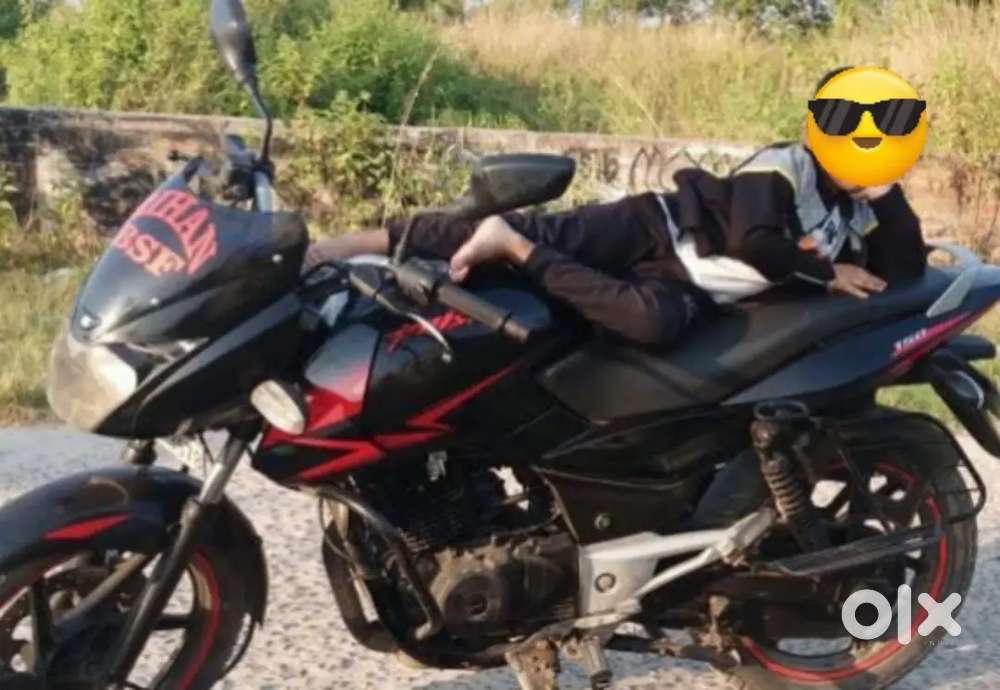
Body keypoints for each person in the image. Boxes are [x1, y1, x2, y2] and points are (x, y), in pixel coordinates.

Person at [308, 67, 926, 349]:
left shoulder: (852, 212)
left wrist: (887, 193)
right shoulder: (786, 166)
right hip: (654, 226)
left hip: (686, 283)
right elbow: (754, 241)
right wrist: (827, 272)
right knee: (543, 229)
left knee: (651, 326)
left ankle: (516, 250)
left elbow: (902, 271)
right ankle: (334, 247)